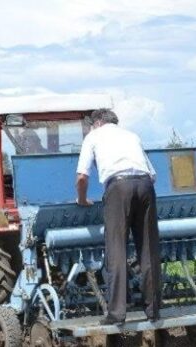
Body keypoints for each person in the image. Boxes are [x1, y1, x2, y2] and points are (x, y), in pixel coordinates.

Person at [75, 109, 161, 325]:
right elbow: (153, 174)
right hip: (145, 186)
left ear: (97, 123)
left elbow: (82, 177)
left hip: (118, 187)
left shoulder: (93, 136)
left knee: (117, 249)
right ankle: (154, 310)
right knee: (148, 249)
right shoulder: (132, 136)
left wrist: (82, 200)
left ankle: (117, 313)